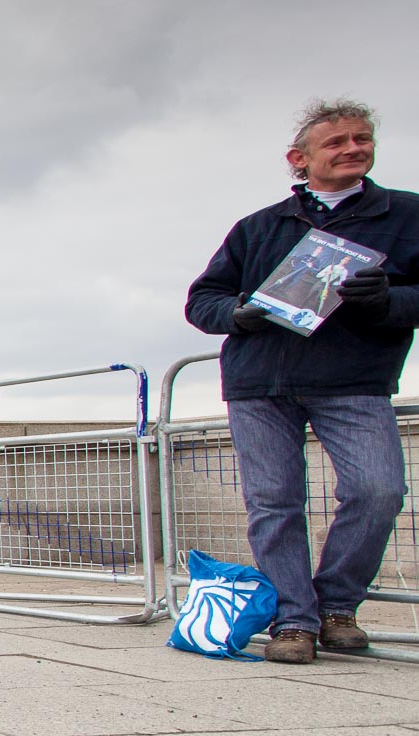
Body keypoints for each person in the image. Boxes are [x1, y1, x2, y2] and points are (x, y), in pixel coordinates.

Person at [185, 98, 415, 664]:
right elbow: (201, 300)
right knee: (273, 502)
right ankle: (294, 620)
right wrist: (237, 313)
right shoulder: (258, 227)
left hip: (354, 378)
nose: (353, 149)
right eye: (336, 143)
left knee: (378, 490)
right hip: (259, 382)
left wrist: (389, 300)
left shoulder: (408, 216)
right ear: (300, 159)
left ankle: (337, 607)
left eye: (362, 140)